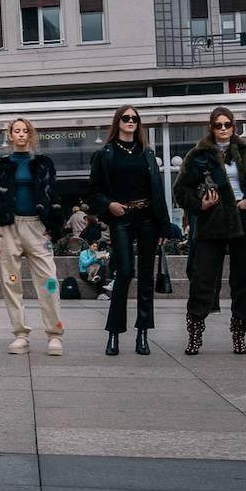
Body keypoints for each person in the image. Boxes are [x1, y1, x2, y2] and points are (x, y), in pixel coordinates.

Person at [172, 107, 246, 356]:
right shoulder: (198, 154)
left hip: (243, 220)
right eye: (218, 125)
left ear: (234, 126)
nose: (223, 129)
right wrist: (199, 204)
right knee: (202, 278)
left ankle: (239, 333)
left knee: (245, 279)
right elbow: (180, 189)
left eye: (227, 124)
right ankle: (194, 334)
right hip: (210, 221)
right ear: (210, 128)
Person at [87, 105, 169, 357]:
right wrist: (108, 205)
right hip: (121, 218)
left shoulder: (147, 153)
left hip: (147, 219)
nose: (131, 121)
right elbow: (93, 190)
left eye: (135, 118)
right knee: (124, 273)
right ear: (118, 122)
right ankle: (113, 333)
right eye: (126, 118)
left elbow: (158, 190)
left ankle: (142, 333)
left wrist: (164, 224)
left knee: (145, 276)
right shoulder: (106, 153)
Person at [0, 117, 66, 356]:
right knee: (11, 282)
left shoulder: (44, 163)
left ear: (30, 135)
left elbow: (53, 195)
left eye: (25, 131)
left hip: (37, 227)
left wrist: (52, 227)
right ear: (10, 135)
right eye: (16, 131)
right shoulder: (0, 165)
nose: (21, 135)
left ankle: (55, 334)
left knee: (49, 280)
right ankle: (20, 334)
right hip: (8, 229)